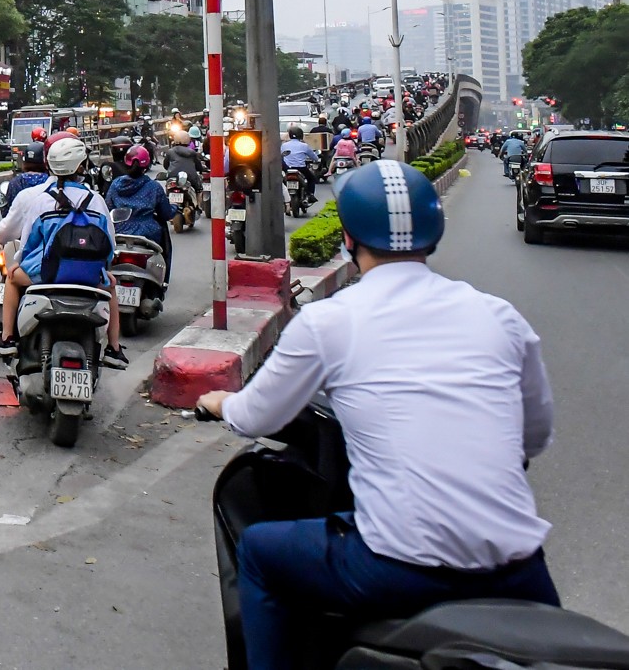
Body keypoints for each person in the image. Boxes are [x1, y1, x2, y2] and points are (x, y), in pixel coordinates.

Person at [196, 163, 557, 670]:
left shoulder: (328, 320)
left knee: (258, 550)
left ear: (348, 237)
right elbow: (533, 437)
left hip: (395, 569)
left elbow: (256, 415)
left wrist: (219, 402)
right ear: (433, 233)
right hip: (519, 570)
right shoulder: (498, 315)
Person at [0, 135, 128, 369]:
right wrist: (103, 271)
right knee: (111, 286)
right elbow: (109, 245)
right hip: (90, 279)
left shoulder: (41, 201)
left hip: (48, 276)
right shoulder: (96, 201)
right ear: (81, 166)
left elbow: (29, 244)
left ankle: (7, 338)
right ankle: (114, 349)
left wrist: (18, 264)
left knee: (12, 278)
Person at [105, 144, 174, 268]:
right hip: (148, 234)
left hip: (119, 230)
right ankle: (164, 280)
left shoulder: (115, 184)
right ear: (146, 166)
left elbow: (108, 208)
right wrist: (174, 209)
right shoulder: (154, 187)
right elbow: (166, 214)